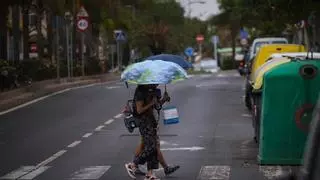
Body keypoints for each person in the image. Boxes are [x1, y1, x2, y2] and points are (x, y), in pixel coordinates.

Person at [125, 84, 171, 180]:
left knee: (153, 148)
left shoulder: (152, 90)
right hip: (144, 123)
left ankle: (150, 174)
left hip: (152, 122)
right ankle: (133, 164)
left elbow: (156, 106)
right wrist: (151, 103)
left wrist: (163, 100)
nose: (157, 83)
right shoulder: (140, 92)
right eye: (155, 82)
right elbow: (139, 110)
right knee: (151, 147)